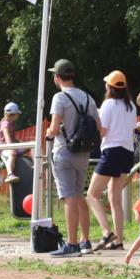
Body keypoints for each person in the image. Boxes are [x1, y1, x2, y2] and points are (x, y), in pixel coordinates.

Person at [45, 59, 101, 257]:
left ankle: (72, 243)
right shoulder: (88, 98)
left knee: (69, 198)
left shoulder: (59, 98)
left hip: (64, 151)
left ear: (57, 77)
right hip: (83, 153)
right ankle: (86, 241)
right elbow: (98, 126)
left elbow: (53, 128)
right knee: (79, 197)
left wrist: (51, 132)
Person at [86, 70, 137, 252]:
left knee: (92, 195)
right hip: (127, 152)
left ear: (109, 87)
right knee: (114, 198)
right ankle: (119, 240)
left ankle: (107, 232)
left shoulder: (108, 104)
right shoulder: (131, 105)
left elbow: (103, 131)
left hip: (111, 151)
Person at [0, 102, 26, 184]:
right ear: (13, 114)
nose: (18, 115)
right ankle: (10, 174)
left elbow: (13, 138)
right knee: (12, 153)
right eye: (17, 114)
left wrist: (20, 143)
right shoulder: (5, 124)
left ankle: (38, 163)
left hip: (11, 145)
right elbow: (7, 138)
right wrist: (12, 149)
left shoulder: (11, 123)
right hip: (4, 149)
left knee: (32, 145)